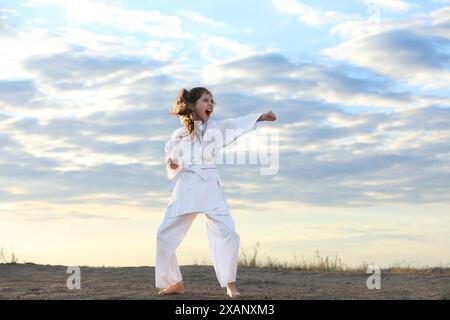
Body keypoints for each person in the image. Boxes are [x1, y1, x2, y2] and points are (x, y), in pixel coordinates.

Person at [155, 87, 277, 298]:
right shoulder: (178, 136)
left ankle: (230, 283)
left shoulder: (216, 129)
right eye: (205, 100)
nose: (210, 104)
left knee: (228, 231)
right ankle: (174, 282)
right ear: (192, 105)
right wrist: (173, 164)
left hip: (209, 185)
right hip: (186, 187)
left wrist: (260, 117)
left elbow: (235, 124)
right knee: (164, 234)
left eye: (212, 101)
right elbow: (170, 159)